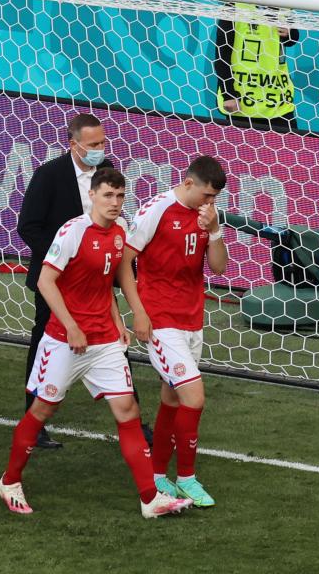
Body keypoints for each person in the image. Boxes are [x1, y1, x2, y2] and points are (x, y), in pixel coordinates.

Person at [0, 168, 193, 519]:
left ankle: (150, 499)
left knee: (128, 411)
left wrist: (121, 320)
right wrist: (71, 326)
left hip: (104, 340)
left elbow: (113, 278)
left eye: (120, 196)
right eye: (108, 195)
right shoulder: (72, 232)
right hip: (65, 341)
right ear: (92, 196)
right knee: (42, 410)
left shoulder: (120, 231)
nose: (115, 203)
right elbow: (45, 281)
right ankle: (9, 481)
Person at [121, 156, 229, 508]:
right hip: (160, 319)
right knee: (194, 397)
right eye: (207, 195)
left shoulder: (207, 216)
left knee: (171, 398)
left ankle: (156, 474)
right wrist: (139, 312)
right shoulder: (157, 209)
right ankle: (186, 478)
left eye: (215, 197)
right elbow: (124, 260)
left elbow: (219, 267)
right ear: (188, 183)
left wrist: (215, 230)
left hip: (192, 319)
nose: (210, 202)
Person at [16, 113, 113, 449]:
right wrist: (64, 260)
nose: (100, 148)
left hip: (97, 281)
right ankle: (33, 421)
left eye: (102, 142)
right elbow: (28, 226)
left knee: (113, 342)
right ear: (73, 145)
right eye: (93, 144)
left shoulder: (106, 171)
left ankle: (133, 419)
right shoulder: (49, 175)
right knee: (44, 345)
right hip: (56, 280)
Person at [214, 0, 299, 131]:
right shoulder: (235, 6)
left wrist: (289, 34)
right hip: (243, 100)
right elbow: (222, 52)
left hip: (278, 99)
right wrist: (228, 93)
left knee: (289, 146)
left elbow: (292, 40)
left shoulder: (285, 4)